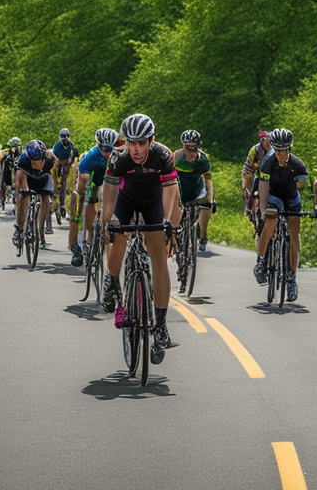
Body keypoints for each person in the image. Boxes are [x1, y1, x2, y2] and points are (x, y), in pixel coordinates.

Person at [99, 114, 179, 364]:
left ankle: (162, 324)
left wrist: (167, 222)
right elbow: (109, 194)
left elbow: (170, 192)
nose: (136, 149)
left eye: (141, 143)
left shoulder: (163, 156)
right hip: (126, 200)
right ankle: (111, 280)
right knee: (119, 237)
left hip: (154, 202)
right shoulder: (118, 158)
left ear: (151, 141)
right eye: (131, 143)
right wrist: (108, 220)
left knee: (158, 258)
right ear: (125, 142)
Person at [253, 128, 308, 302]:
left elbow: (303, 186)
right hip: (272, 194)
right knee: (270, 220)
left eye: (285, 150)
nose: (282, 154)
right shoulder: (267, 162)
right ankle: (261, 261)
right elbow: (263, 186)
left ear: (290, 148)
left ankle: (292, 277)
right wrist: (263, 209)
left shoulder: (298, 164)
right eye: (278, 150)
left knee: (294, 231)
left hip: (291, 196)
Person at [68, 128, 118, 267]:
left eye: (110, 150)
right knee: (78, 206)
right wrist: (83, 195)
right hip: (92, 181)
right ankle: (77, 246)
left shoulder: (119, 153)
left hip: (110, 181)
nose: (107, 154)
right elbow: (83, 179)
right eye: (104, 150)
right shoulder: (92, 155)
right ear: (98, 145)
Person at [170, 129, 214, 253]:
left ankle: (203, 236)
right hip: (181, 188)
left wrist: (210, 197)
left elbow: (208, 179)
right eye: (188, 148)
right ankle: (175, 234)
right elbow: (167, 179)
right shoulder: (176, 157)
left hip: (196, 188)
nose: (192, 153)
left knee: (206, 205)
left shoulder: (203, 160)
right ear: (183, 147)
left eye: (195, 149)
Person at [13, 139, 56, 249]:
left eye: (38, 160)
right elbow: (18, 179)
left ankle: (39, 227)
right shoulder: (23, 160)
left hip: (43, 178)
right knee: (24, 197)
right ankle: (19, 228)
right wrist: (18, 194)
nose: (36, 163)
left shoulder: (50, 158)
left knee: (46, 198)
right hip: (28, 178)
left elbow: (54, 175)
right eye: (33, 160)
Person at [241, 129, 272, 225]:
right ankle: (248, 204)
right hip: (257, 171)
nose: (267, 143)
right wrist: (258, 167)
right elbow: (250, 165)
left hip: (272, 174)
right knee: (248, 177)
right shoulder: (255, 150)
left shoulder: (276, 149)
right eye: (264, 139)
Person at [52, 127, 79, 219]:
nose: (66, 138)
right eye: (64, 136)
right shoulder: (57, 146)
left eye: (67, 136)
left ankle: (67, 210)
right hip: (57, 167)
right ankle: (54, 208)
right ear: (60, 137)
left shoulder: (72, 146)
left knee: (69, 189)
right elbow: (55, 159)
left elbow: (74, 158)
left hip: (68, 167)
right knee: (56, 189)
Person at [0, 137, 22, 209]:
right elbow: (2, 163)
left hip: (17, 170)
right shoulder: (6, 155)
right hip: (8, 171)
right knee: (3, 180)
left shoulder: (21, 155)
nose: (16, 147)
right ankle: (2, 195)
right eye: (14, 146)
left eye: (18, 146)